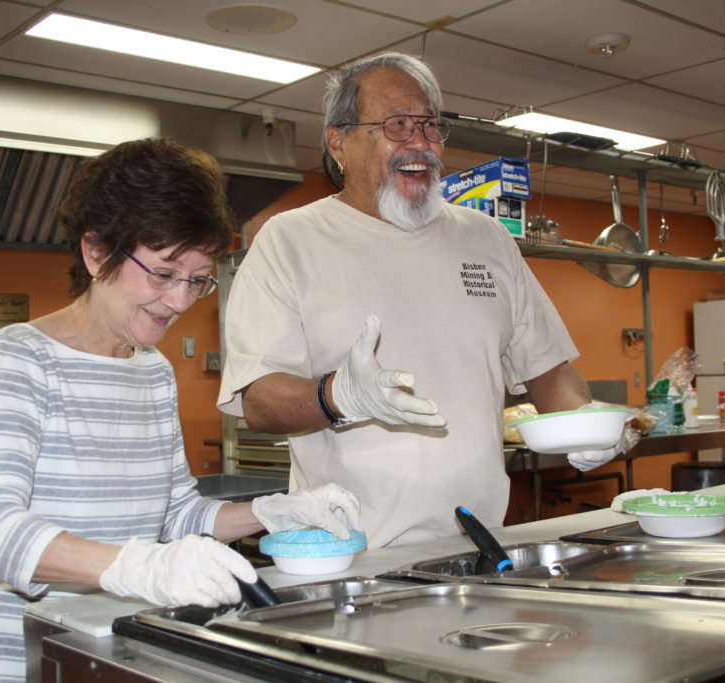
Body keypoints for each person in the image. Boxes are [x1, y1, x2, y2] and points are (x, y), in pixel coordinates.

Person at [0, 138, 362, 682]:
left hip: (101, 651)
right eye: (162, 273)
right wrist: (140, 565)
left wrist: (277, 512)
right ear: (95, 253)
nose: (180, 301)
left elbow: (179, 515)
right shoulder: (21, 356)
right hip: (6, 660)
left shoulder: (152, 371)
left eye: (197, 279)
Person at [218, 52, 638, 549]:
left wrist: (585, 424)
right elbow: (259, 401)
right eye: (396, 125)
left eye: (431, 126)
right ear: (339, 142)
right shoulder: (288, 240)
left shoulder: (486, 238)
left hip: (480, 544)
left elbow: (547, 369)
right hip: (350, 551)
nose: (420, 143)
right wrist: (340, 395)